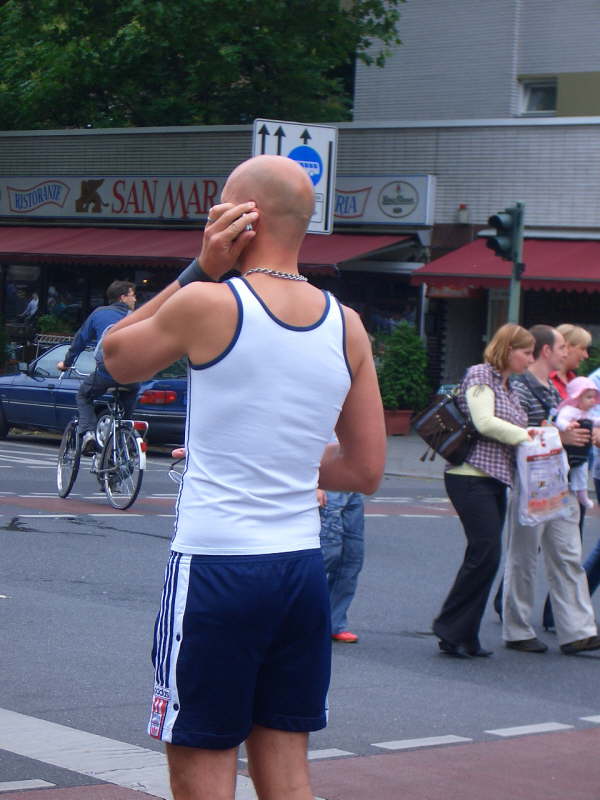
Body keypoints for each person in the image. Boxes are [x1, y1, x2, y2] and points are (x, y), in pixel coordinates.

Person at [103, 155, 386, 800]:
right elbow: (365, 469)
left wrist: (202, 266)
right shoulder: (347, 324)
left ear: (239, 217)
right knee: (286, 770)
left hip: (218, 566)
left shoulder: (208, 303)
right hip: (298, 569)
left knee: (201, 765)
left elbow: (115, 356)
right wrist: (285, 458)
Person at [432, 323, 535, 659]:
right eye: (526, 352)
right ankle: (450, 629)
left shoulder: (509, 386)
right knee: (484, 554)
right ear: (508, 349)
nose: (530, 359)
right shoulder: (481, 375)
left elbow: (511, 424)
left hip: (493, 478)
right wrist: (527, 435)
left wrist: (533, 432)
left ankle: (465, 634)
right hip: (469, 474)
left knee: (486, 558)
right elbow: (484, 422)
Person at [502, 325, 600, 655]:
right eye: (560, 347)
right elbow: (520, 432)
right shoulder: (522, 387)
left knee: (569, 555)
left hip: (560, 484)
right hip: (531, 485)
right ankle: (517, 629)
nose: (565, 352)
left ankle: (578, 630)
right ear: (546, 352)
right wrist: (563, 436)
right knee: (523, 558)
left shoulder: (556, 388)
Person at [57, 280, 138, 455]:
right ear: (123, 297)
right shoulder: (138, 316)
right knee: (130, 395)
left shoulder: (99, 314)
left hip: (107, 372)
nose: (135, 299)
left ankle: (88, 433)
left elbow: (80, 340)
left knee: (84, 395)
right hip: (132, 373)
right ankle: (126, 436)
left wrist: (66, 363)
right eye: (133, 295)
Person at [317, 488, 365, 644]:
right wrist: (317, 484)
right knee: (326, 556)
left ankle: (333, 623)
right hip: (328, 487)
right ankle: (291, 621)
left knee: (351, 560)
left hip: (352, 487)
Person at [555, 377, 600, 509]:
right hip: (566, 450)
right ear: (577, 398)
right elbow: (560, 420)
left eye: (594, 397)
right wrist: (566, 426)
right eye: (589, 397)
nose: (593, 400)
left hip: (581, 453)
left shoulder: (587, 413)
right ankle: (561, 492)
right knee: (563, 471)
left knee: (582, 473)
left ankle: (582, 493)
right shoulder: (569, 410)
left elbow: (595, 420)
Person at [549, 323, 592, 400]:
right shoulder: (545, 379)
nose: (586, 355)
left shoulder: (573, 379)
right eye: (582, 349)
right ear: (566, 347)